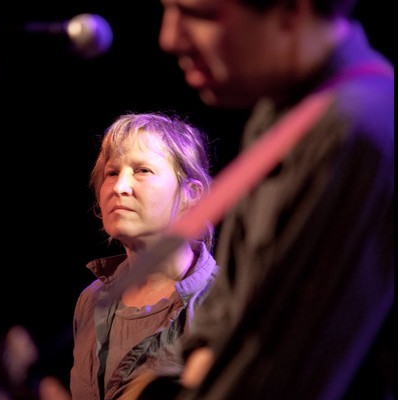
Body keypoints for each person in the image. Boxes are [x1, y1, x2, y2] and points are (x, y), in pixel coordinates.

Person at [133, 0, 394, 399]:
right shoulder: (282, 107)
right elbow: (224, 320)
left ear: (291, 9)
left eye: (199, 14)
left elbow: (276, 376)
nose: (169, 38)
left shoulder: (356, 131)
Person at [69, 112, 220, 400]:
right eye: (112, 173)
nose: (119, 187)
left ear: (192, 195)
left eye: (142, 171)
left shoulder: (222, 302)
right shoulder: (90, 301)